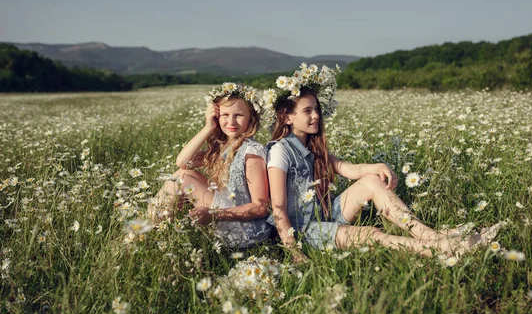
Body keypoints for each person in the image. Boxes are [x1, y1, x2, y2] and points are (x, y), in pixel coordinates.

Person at [264, 64, 500, 262]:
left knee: (371, 180)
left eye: (317, 109)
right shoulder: (280, 151)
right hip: (302, 232)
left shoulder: (311, 145)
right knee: (371, 234)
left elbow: (346, 168)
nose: (316, 115)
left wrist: (376, 168)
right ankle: (445, 248)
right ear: (287, 117)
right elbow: (278, 209)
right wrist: (294, 251)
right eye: (307, 110)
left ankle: (432, 235)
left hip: (322, 216)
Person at [148, 83, 272, 249]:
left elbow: (260, 207)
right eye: (225, 115)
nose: (231, 121)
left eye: (239, 115)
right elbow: (183, 163)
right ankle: (152, 233)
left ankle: (148, 235)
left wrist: (213, 214)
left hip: (244, 232)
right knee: (182, 173)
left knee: (182, 178)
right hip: (228, 215)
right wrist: (208, 127)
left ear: (251, 117)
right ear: (217, 116)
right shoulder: (224, 146)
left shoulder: (252, 152)